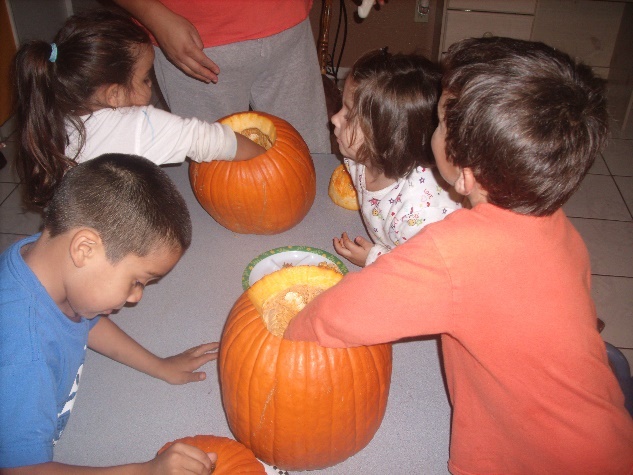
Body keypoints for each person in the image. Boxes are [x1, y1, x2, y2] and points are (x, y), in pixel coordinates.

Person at [285, 37, 633, 473]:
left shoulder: (450, 253)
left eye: (439, 121)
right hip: (606, 434)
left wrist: (287, 332)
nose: (431, 127)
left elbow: (338, 316)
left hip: (543, 458)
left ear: (464, 173)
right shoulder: (558, 224)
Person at [0, 154, 218, 474]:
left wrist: (160, 366)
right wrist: (145, 471)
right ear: (85, 249)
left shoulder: (45, 258)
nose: (136, 297)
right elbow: (20, 470)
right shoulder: (24, 354)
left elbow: (82, 322)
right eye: (137, 281)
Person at [14, 9, 266, 208]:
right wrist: (266, 157)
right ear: (114, 95)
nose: (151, 84)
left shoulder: (52, 112)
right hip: (120, 239)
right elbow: (210, 139)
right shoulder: (138, 126)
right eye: (145, 78)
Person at [111, 0, 332, 154]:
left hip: (289, 23)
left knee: (309, 154)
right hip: (195, 42)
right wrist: (154, 15)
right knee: (214, 163)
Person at [331, 48, 462, 267]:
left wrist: (374, 258)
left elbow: (427, 271)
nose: (335, 118)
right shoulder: (361, 157)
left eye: (349, 115)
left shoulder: (420, 213)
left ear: (388, 139)